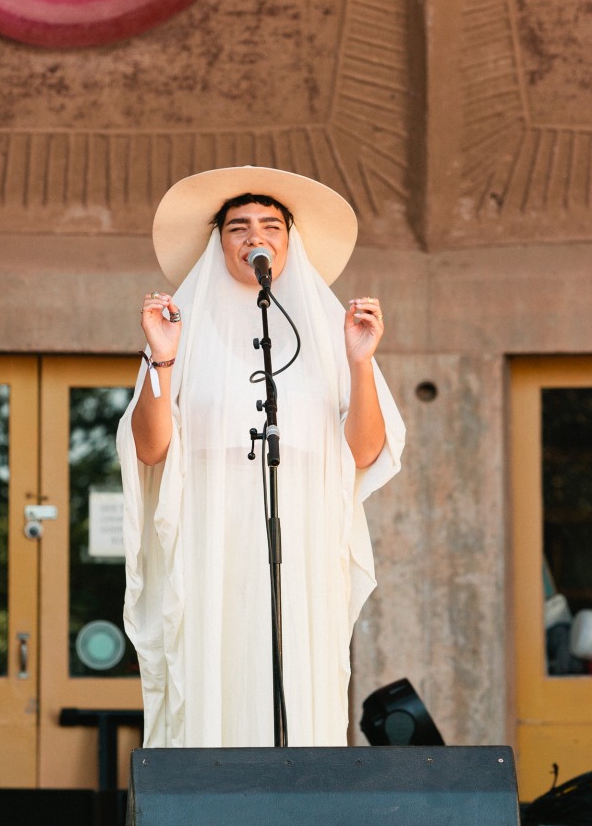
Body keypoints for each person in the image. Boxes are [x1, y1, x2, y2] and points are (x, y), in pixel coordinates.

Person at [118, 165, 406, 748]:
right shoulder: (179, 329)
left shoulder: (329, 331)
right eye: (238, 226)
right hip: (209, 550)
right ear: (217, 241)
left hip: (301, 550)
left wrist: (358, 361)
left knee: (297, 688)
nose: (256, 236)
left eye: (271, 225)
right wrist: (162, 358)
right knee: (211, 683)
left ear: (289, 241)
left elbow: (365, 451)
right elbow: (150, 450)